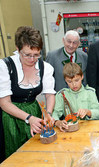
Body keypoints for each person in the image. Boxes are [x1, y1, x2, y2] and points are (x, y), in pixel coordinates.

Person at [0, 26, 56, 159]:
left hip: (34, 112)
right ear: (18, 49)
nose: (32, 59)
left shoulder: (45, 67)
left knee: (38, 154)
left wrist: (48, 114)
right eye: (27, 55)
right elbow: (4, 102)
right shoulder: (5, 66)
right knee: (15, 155)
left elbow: (50, 94)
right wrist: (28, 118)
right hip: (10, 116)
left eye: (36, 55)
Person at [52, 62, 99, 131]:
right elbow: (55, 113)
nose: (74, 84)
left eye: (76, 80)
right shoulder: (62, 94)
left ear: (82, 77)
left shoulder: (89, 92)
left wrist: (88, 112)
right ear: (65, 80)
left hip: (88, 129)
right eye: (69, 81)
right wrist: (57, 122)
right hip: (70, 129)